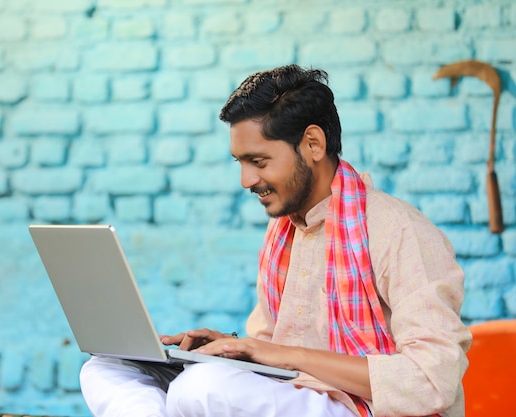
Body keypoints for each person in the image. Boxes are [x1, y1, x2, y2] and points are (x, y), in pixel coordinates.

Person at [79, 65, 471, 417]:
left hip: (361, 408)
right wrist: (230, 347)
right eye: (241, 163)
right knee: (107, 368)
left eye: (259, 161)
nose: (246, 181)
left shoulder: (399, 231)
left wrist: (278, 355)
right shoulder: (285, 231)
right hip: (298, 395)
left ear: (313, 144)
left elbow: (431, 383)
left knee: (200, 390)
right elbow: (268, 352)